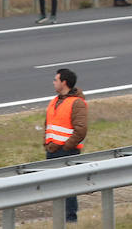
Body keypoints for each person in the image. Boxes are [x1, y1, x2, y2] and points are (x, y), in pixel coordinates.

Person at [44, 68, 88, 223]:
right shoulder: (54, 101)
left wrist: (66, 146)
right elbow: (48, 123)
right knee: (55, 187)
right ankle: (59, 217)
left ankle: (70, 219)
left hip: (66, 152)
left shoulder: (77, 103)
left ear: (64, 82)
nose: (53, 82)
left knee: (68, 188)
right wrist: (47, 143)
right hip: (52, 151)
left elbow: (81, 130)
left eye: (56, 80)